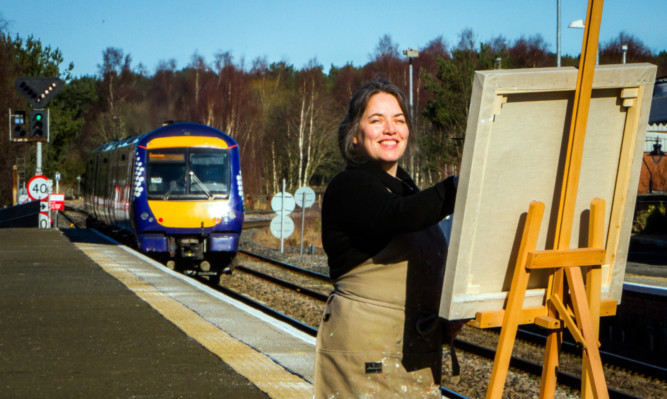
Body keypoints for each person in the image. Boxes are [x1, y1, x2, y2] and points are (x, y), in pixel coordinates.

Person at [314, 79, 458, 398]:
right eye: (376, 120)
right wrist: (458, 186)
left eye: (399, 120)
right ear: (354, 135)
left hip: (411, 351)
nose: (390, 129)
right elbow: (398, 216)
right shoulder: (349, 187)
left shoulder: (407, 191)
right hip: (368, 357)